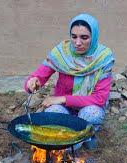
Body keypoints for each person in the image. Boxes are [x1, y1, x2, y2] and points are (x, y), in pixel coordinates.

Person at [24, 13, 115, 150]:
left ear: (94, 37)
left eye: (84, 37)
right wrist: (32, 83)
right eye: (74, 37)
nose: (77, 43)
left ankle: (86, 136)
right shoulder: (62, 53)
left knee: (92, 114)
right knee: (53, 112)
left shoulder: (103, 58)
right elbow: (39, 75)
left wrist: (61, 99)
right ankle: (68, 140)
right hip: (64, 108)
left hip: (88, 106)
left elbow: (99, 99)